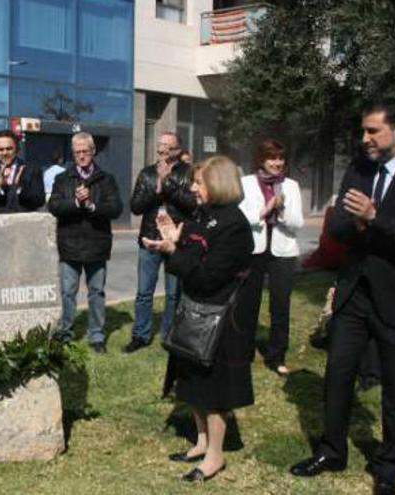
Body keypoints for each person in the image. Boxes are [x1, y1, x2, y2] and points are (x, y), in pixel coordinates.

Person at [290, 100, 395, 495]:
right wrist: (359, 223)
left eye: (373, 131)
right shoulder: (360, 168)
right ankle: (332, 451)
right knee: (339, 376)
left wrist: (375, 219)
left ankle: (388, 467)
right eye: (363, 131)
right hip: (355, 294)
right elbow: (339, 228)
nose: (365, 139)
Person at [144, 155, 254, 483]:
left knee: (213, 390)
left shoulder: (234, 225)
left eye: (199, 182)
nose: (193, 186)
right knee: (190, 382)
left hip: (219, 319)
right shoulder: (200, 216)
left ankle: (215, 457)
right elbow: (191, 260)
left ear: (218, 184)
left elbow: (207, 277)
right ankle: (201, 441)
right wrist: (175, 242)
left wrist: (173, 252)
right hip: (194, 311)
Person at [49, 132, 124, 353]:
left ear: (93, 152)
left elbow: (116, 209)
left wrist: (91, 205)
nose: (81, 156)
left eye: (85, 151)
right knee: (67, 292)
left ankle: (97, 336)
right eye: (77, 152)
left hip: (97, 244)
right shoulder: (62, 179)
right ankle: (65, 333)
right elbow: (54, 207)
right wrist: (75, 201)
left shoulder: (106, 179)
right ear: (73, 154)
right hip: (69, 244)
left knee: (96, 293)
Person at [124, 131, 195, 353]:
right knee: (144, 292)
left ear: (178, 150)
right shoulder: (146, 173)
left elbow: (192, 204)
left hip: (175, 240)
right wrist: (156, 190)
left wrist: (168, 184)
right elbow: (135, 206)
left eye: (168, 146)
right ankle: (141, 335)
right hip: (150, 238)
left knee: (174, 294)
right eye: (161, 145)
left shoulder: (188, 173)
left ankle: (169, 335)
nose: (163, 149)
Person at [238, 138, 304, 375]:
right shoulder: (246, 183)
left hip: (283, 251)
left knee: (280, 305)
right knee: (247, 303)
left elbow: (298, 223)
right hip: (255, 249)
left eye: (280, 158)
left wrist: (282, 210)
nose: (277, 163)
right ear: (261, 159)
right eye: (271, 158)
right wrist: (265, 210)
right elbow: (242, 218)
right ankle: (243, 352)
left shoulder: (292, 186)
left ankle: (277, 356)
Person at [0, 129, 44, 213]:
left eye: (9, 149)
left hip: (24, 223)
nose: (5, 153)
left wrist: (21, 188)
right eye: (0, 149)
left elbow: (39, 201)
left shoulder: (31, 170)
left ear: (17, 149)